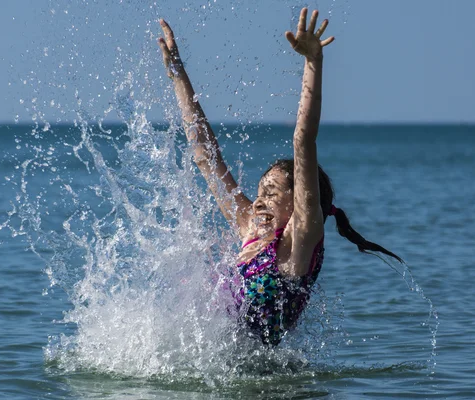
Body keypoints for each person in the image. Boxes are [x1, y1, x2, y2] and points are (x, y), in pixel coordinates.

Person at [157, 8, 402, 345]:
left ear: (299, 199)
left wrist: (313, 62)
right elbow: (204, 156)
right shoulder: (250, 225)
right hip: (219, 360)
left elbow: (303, 140)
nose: (259, 199)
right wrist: (177, 75)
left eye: (271, 192)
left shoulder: (301, 238)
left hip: (265, 375)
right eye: (260, 190)